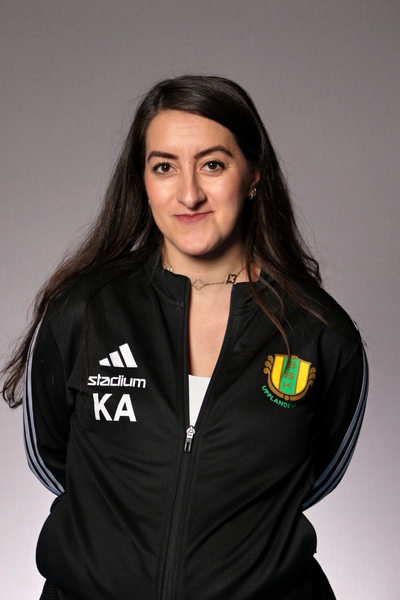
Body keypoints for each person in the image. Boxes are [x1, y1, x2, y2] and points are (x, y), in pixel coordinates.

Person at [2, 75, 367, 600]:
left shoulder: (320, 332)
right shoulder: (84, 311)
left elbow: (311, 478)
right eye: (164, 167)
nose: (189, 193)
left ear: (253, 174)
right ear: (142, 180)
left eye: (213, 165)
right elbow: (54, 459)